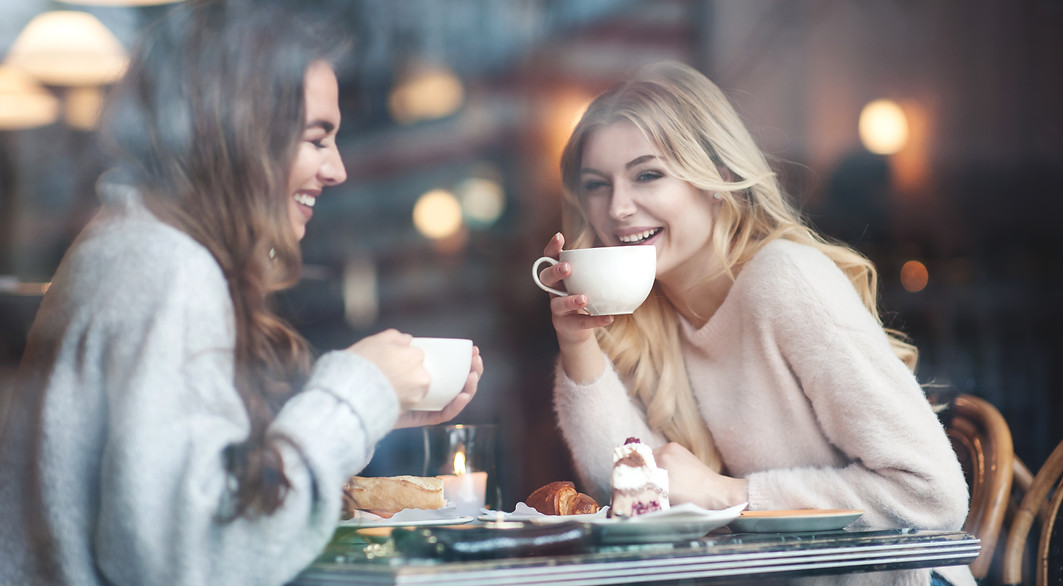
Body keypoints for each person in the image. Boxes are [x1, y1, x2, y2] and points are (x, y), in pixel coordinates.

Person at [0, 2, 483, 585]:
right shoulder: (170, 271)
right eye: (317, 138)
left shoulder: (133, 246)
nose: (338, 170)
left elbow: (186, 491)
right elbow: (199, 558)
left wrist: (372, 416)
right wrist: (356, 395)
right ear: (244, 136)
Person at [537, 60, 971, 586]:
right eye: (596, 185)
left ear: (718, 178)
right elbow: (632, 501)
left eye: (647, 174)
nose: (618, 208)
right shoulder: (646, 316)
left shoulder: (786, 280)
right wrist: (578, 344)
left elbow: (932, 496)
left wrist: (729, 495)